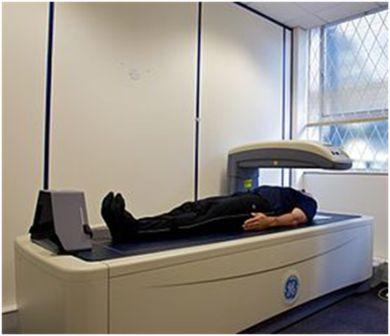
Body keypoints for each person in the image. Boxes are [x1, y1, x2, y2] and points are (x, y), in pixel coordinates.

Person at [101, 186, 318, 243]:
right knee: (191, 207)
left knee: (200, 220)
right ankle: (133, 223)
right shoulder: (289, 189)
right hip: (245, 196)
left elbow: (297, 218)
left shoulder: (309, 202)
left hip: (257, 207)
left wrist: (270, 222)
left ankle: (131, 231)